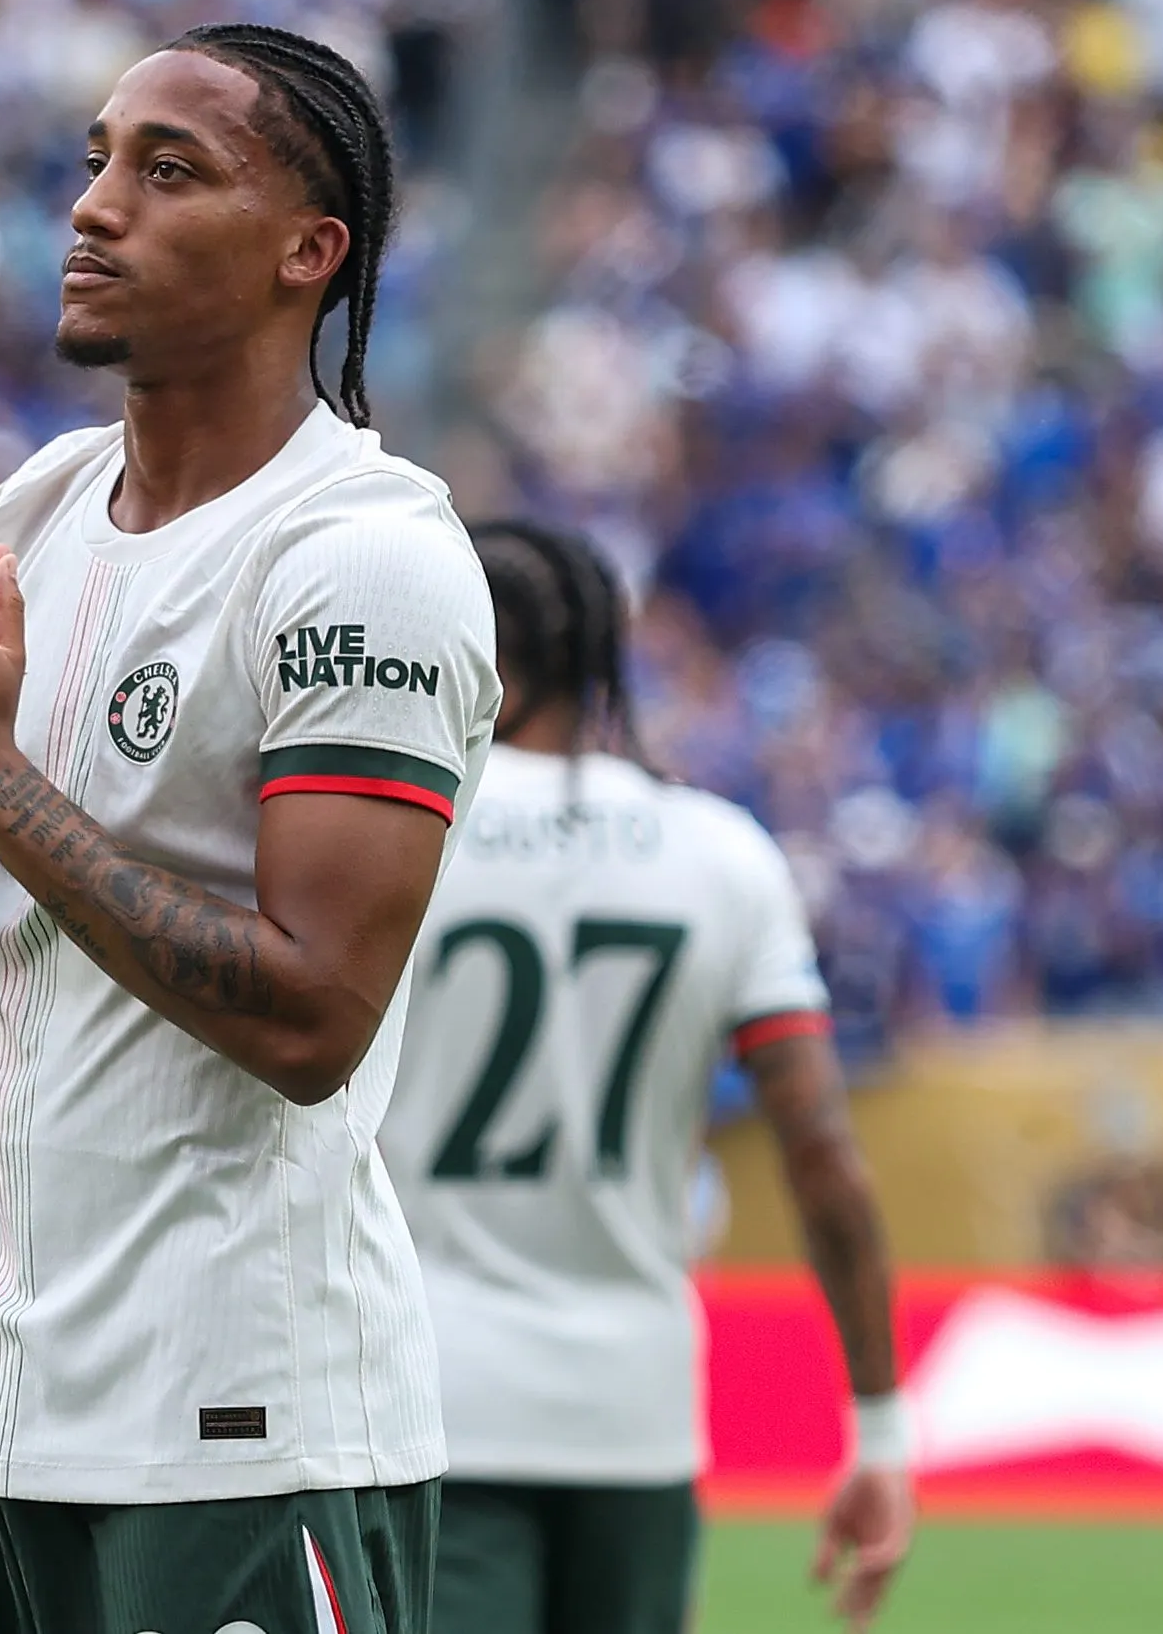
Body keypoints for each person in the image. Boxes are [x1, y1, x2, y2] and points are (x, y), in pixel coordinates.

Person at [0, 24, 500, 1634]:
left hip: (242, 1433)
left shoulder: (363, 555)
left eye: (166, 170)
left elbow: (314, 1013)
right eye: (96, 161)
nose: (94, 207)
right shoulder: (20, 527)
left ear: (305, 254)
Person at [381, 521, 914, 1634]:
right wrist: (877, 1431)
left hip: (427, 1395)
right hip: (635, 1415)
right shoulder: (720, 854)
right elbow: (823, 1157)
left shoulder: (398, 825)